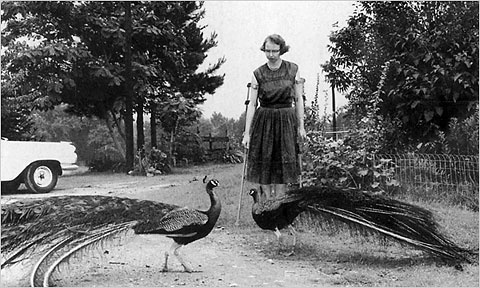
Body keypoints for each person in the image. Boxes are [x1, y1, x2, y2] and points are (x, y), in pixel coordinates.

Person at [242, 34, 306, 204]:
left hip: (286, 120)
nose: (270, 55)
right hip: (264, 121)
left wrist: (301, 126)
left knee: (283, 164)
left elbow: (299, 100)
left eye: (274, 51)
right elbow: (252, 104)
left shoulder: (293, 70)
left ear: (281, 50)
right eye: (267, 51)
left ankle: (279, 205)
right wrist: (247, 133)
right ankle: (266, 205)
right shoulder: (258, 73)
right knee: (265, 163)